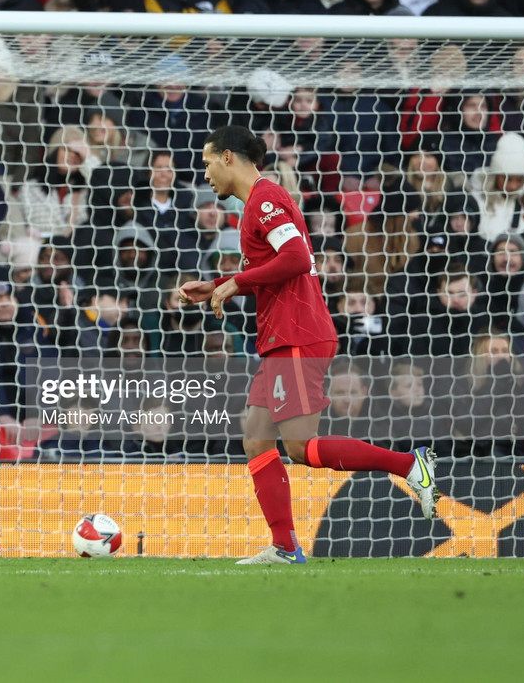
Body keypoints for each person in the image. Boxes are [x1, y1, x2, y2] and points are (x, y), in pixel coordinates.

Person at [178, 124, 440, 565]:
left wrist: (235, 281)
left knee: (299, 447)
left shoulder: (265, 199)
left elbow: (297, 258)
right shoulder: (258, 205)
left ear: (228, 158)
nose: (205, 174)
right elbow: (279, 269)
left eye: (206, 163)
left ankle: (409, 465)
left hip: (297, 334)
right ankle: (285, 547)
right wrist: (220, 285)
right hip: (282, 336)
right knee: (257, 439)